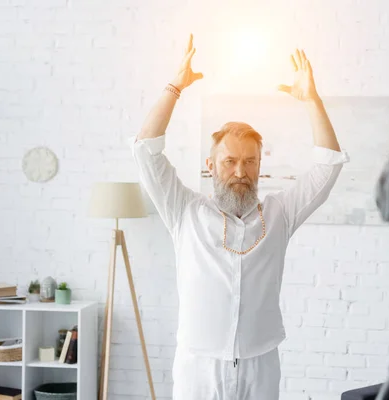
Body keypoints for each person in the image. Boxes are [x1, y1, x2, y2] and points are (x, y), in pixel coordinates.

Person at [129, 34, 350, 400]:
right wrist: (175, 86)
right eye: (229, 161)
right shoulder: (184, 210)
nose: (239, 171)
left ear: (260, 166)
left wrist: (312, 99)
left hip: (260, 364)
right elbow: (145, 152)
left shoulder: (279, 214)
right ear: (211, 166)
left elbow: (327, 166)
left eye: (249, 161)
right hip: (198, 365)